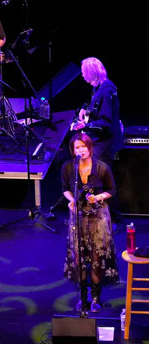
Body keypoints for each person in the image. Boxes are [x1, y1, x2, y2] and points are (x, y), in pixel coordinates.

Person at [61, 132, 119, 313]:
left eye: (83, 146)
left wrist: (99, 197)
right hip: (78, 216)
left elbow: (112, 190)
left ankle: (95, 298)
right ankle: (83, 298)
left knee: (96, 258)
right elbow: (65, 189)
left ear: (89, 147)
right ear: (73, 150)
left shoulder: (101, 167)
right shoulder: (69, 168)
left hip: (98, 217)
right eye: (77, 147)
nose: (80, 150)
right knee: (79, 258)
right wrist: (71, 200)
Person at [71, 57, 124, 227]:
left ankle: (115, 219)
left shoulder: (105, 91)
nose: (81, 75)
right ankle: (100, 214)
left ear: (90, 73)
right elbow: (94, 107)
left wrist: (85, 125)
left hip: (106, 142)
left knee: (103, 178)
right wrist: (84, 110)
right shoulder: (100, 87)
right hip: (101, 140)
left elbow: (105, 123)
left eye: (83, 72)